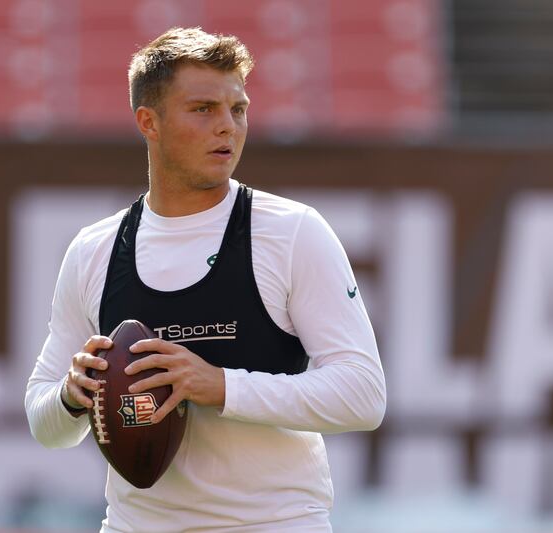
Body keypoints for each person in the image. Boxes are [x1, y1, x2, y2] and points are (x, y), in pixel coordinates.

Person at [25, 27, 386, 532]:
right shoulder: (95, 250)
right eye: (203, 109)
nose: (228, 127)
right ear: (148, 122)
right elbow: (47, 425)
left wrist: (218, 386)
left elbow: (363, 396)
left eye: (238, 109)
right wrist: (71, 394)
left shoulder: (291, 232)